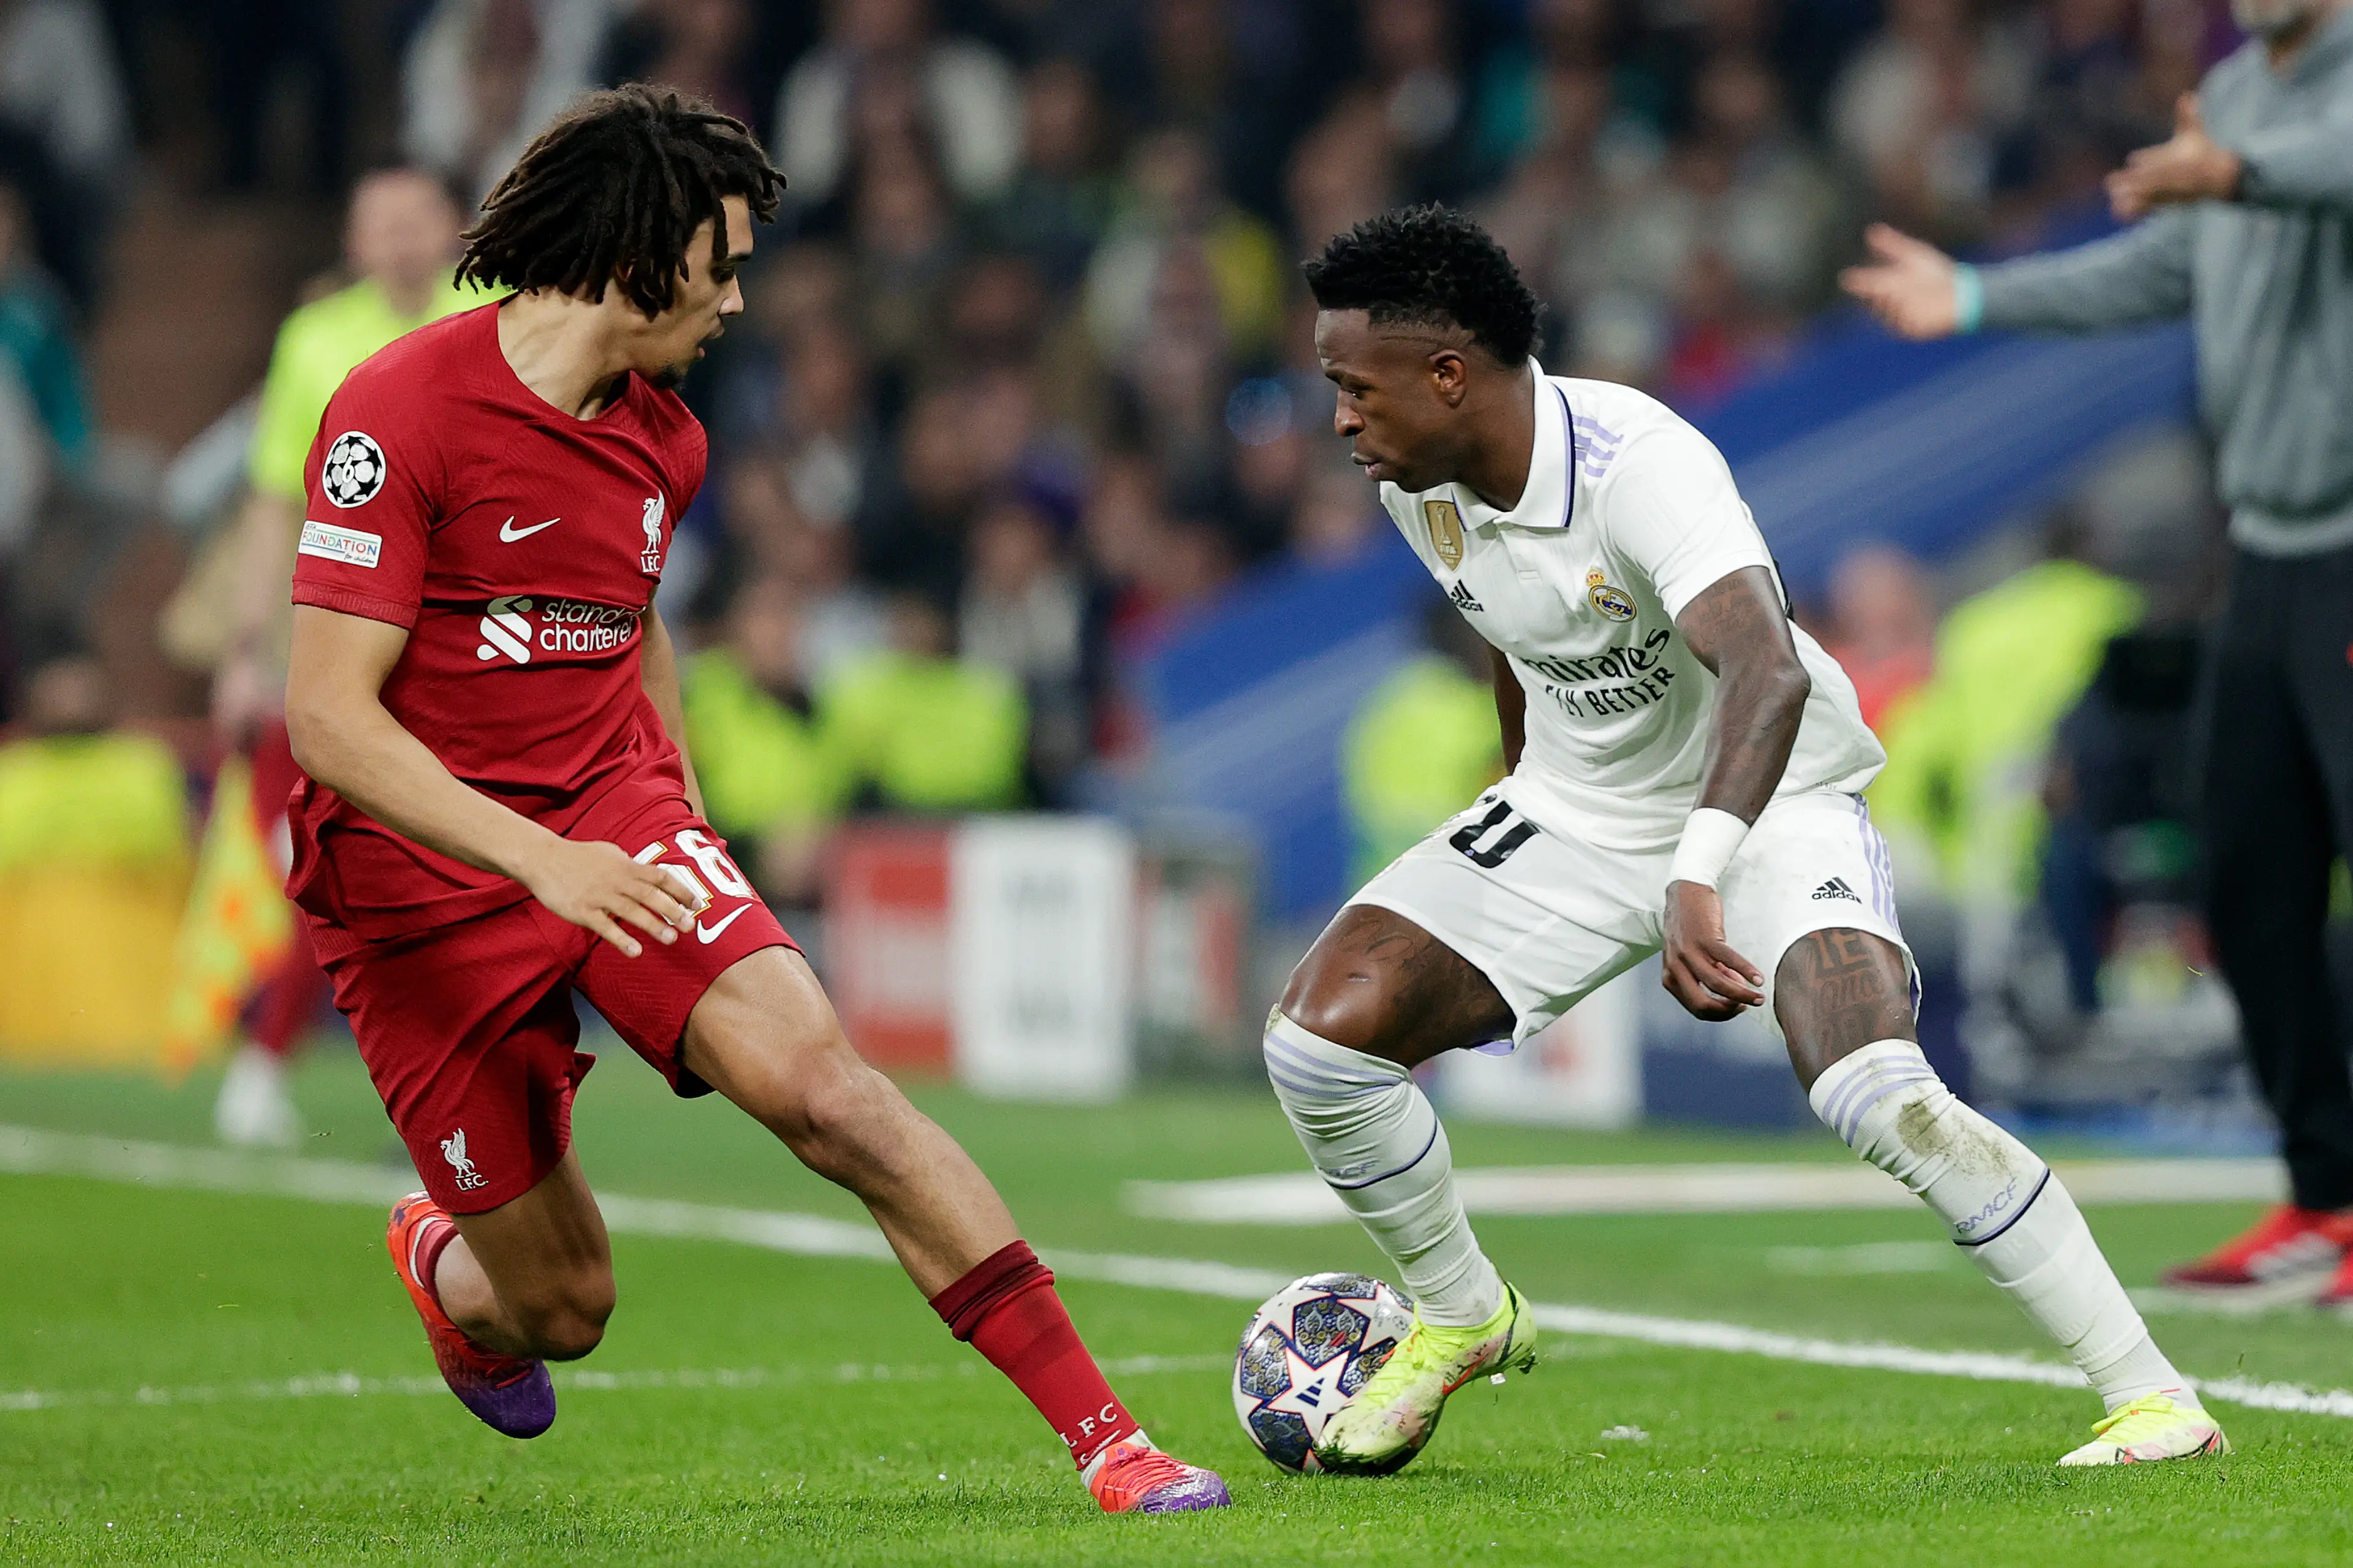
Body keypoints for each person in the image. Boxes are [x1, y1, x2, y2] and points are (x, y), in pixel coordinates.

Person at [280, 86, 1225, 1515]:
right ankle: (442, 1257)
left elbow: (630, 619)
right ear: (642, 249)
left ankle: (1112, 1439)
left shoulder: (667, 439)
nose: (735, 298)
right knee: (564, 1307)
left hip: (613, 829)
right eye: (720, 261)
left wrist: (679, 818)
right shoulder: (398, 409)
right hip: (420, 888)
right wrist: (542, 862)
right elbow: (328, 720)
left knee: (827, 1091)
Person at [1268, 205, 2223, 1474]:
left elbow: (1765, 672)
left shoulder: (1638, 461)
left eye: (1353, 387)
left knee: (1870, 1085)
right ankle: (1462, 1313)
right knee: (1317, 1045)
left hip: (1771, 796)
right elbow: (1516, 635)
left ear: (1450, 375)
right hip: (1579, 808)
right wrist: (1512, 804)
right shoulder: (1421, 481)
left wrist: (1696, 875)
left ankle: (2152, 1397)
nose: (1340, 419)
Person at [1838, 0, 2353, 1305]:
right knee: (2249, 875)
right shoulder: (2235, 103)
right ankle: (2329, 1201)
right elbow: (2166, 269)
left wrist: (2235, 174)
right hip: (2271, 548)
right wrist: (1974, 293)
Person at [210, 167, 482, 1148]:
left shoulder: (502, 314)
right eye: (379, 223)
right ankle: (262, 1058)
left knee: (465, 871)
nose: (400, 239)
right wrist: (248, 646)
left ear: (454, 227)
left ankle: (472, 1086)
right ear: (354, 238)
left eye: (416, 219)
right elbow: (275, 500)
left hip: (462, 646)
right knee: (315, 863)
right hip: (335, 642)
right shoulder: (314, 340)